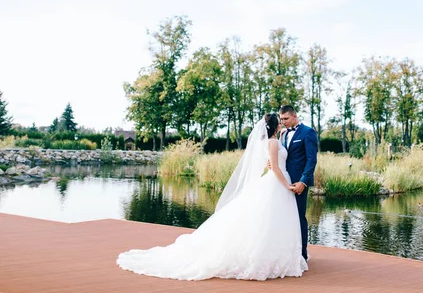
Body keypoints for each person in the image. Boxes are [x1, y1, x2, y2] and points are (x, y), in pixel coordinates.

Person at [116, 113, 308, 281]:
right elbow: (274, 166)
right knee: (271, 221)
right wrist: (287, 185)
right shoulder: (273, 142)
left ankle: (273, 256)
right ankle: (271, 257)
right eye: (280, 122)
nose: (282, 125)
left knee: (270, 222)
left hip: (274, 182)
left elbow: (270, 163)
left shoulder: (268, 141)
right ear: (275, 126)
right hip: (277, 183)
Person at [277, 105, 318, 261]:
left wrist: (303, 182)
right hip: (282, 182)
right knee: (284, 217)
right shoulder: (283, 134)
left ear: (295, 116)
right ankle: (286, 252)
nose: (283, 122)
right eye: (281, 119)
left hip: (298, 183)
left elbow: (311, 160)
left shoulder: (308, 133)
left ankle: (302, 255)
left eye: (286, 119)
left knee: (299, 217)